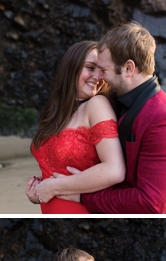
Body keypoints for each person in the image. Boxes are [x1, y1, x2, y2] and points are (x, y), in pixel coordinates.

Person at [55, 22, 166, 214]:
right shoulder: (109, 100)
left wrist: (81, 196)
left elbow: (150, 203)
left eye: (104, 70)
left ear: (128, 68)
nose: (99, 77)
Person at [26, 41, 125, 213]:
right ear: (71, 67)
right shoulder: (55, 112)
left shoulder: (96, 104)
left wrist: (54, 187)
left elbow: (114, 170)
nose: (97, 76)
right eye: (90, 67)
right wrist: (38, 193)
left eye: (101, 71)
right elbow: (53, 172)